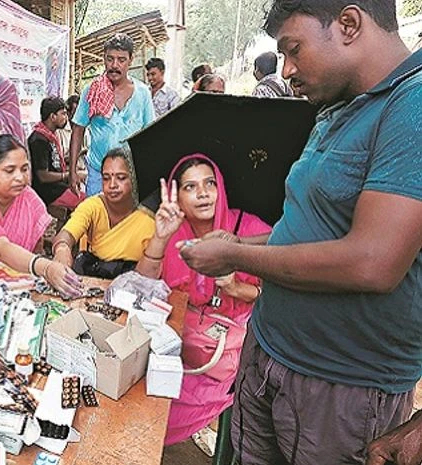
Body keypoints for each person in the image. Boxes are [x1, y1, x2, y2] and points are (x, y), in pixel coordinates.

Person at [175, 2, 422, 464]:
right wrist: (237, 246)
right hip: (271, 351)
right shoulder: (339, 105)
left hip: (340, 388)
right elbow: (310, 228)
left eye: (294, 49)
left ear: (348, 25)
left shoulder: (413, 106)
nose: (286, 69)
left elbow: (372, 262)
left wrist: (240, 260)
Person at [134, 154, 271, 446]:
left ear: (221, 187)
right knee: (141, 395)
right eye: (191, 187)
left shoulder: (249, 230)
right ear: (177, 197)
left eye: (210, 183)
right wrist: (160, 236)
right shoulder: (174, 234)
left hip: (232, 349)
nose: (203, 193)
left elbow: (286, 294)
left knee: (161, 412)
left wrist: (239, 290)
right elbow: (141, 287)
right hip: (182, 339)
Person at [0, 134, 83, 297]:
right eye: (9, 170)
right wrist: (46, 268)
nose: (20, 177)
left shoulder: (25, 196)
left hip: (15, 284)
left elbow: (36, 246)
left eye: (24, 169)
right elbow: (1, 249)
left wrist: (61, 251)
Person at [69, 33, 155, 196]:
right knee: (98, 218)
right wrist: (72, 171)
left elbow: (150, 134)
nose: (114, 65)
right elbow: (78, 129)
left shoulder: (143, 93)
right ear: (104, 58)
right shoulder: (92, 91)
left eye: (121, 60)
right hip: (97, 173)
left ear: (131, 60)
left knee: (129, 220)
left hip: (131, 173)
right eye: (110, 59)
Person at [52, 148, 155, 279]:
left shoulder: (148, 216)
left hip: (135, 283)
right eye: (106, 178)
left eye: (121, 178)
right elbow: (67, 234)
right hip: (95, 277)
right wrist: (62, 249)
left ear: (135, 179)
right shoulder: (93, 206)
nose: (112, 185)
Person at [28, 97, 84, 209]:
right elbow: (42, 176)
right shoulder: (39, 140)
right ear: (53, 117)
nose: (66, 118)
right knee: (87, 203)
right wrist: (70, 175)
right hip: (48, 192)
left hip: (58, 187)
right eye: (63, 114)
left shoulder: (51, 136)